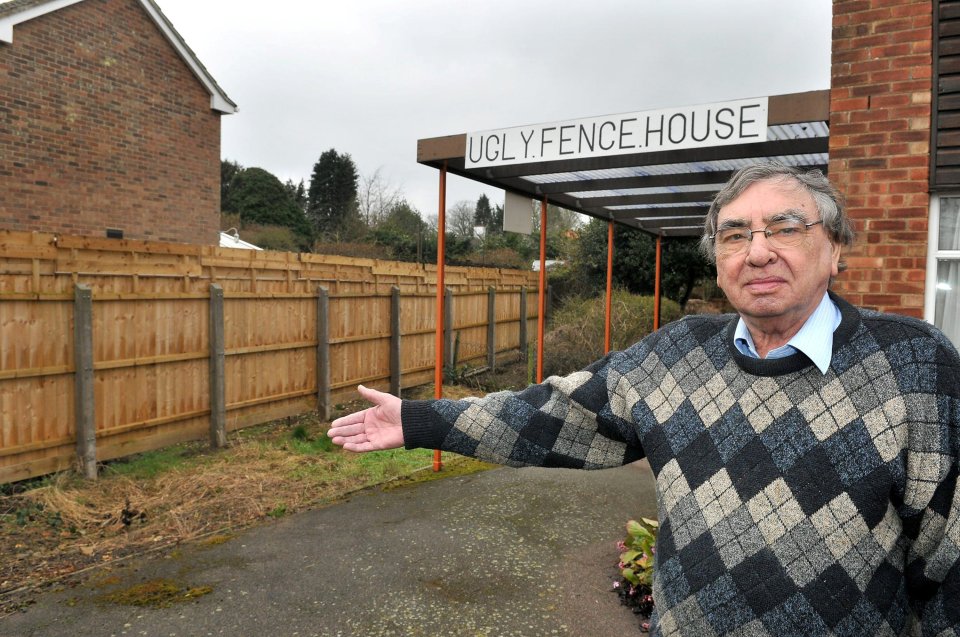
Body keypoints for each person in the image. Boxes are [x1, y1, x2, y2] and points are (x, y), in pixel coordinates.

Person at [328, 163, 960, 637]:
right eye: (735, 235)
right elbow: (551, 416)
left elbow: (948, 553)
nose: (757, 250)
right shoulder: (675, 354)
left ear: (836, 249)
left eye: (785, 227)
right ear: (718, 262)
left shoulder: (912, 363)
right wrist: (419, 419)